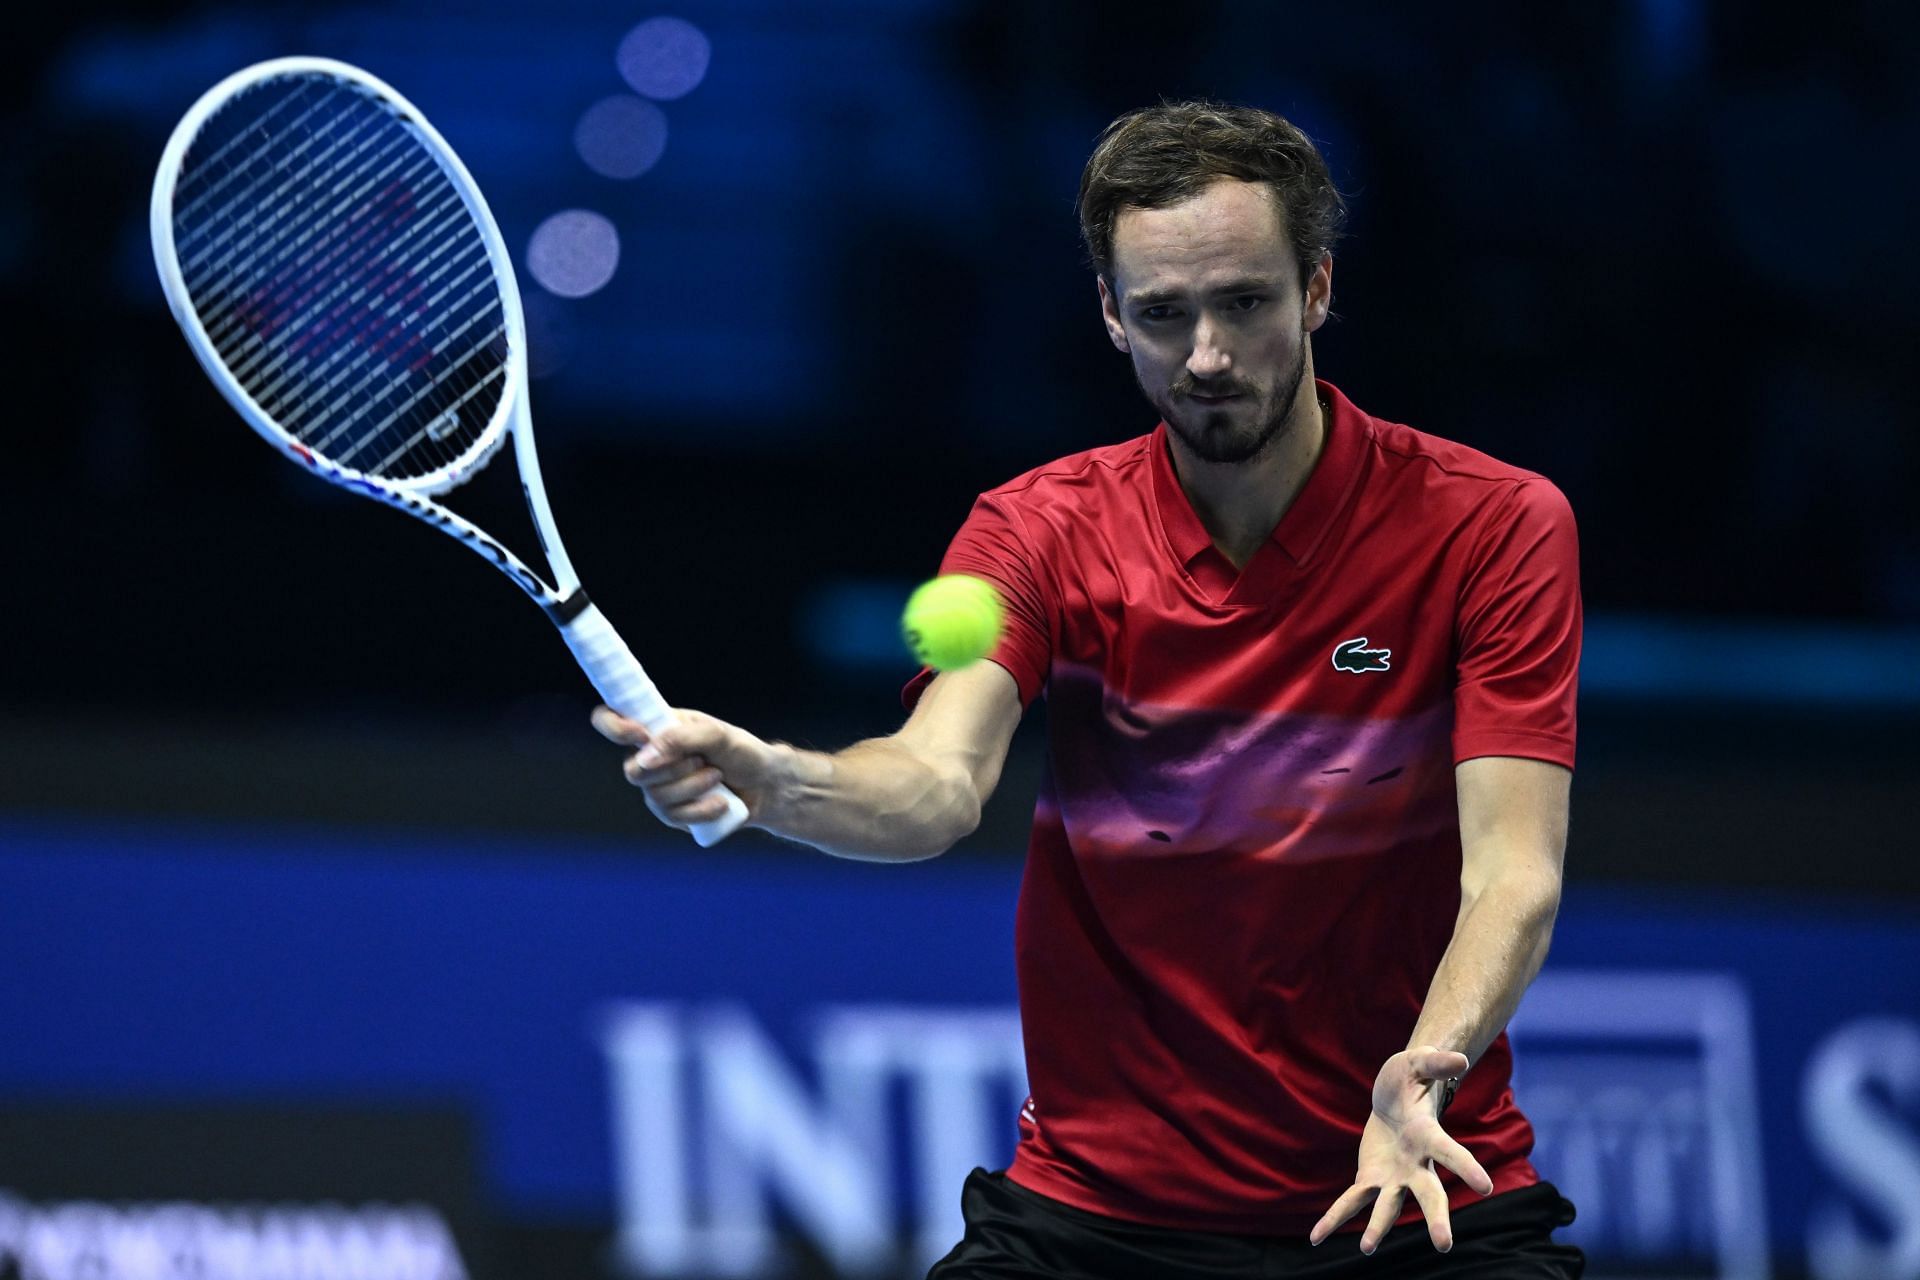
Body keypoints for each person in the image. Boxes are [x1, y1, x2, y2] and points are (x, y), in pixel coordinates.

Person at [594, 100, 1584, 1279]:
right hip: (1100, 1219)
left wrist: (1429, 1062)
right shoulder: (1039, 532)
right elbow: (935, 781)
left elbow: (1514, 869)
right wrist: (775, 780)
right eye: (1165, 314)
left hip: (1414, 1192)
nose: (1208, 354)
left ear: (1318, 290)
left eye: (1246, 303)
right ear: (1113, 316)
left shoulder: (1490, 525)